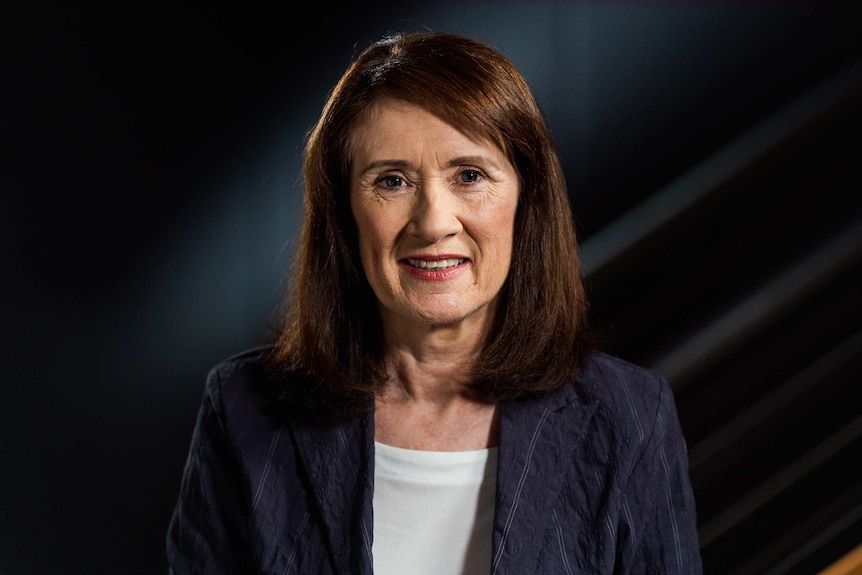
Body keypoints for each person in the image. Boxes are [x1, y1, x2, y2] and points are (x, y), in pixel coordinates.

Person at [166, 30, 703, 574]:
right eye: (393, 180)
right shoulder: (243, 410)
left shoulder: (630, 415)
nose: (433, 222)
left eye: (469, 175)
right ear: (344, 212)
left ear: (526, 198)